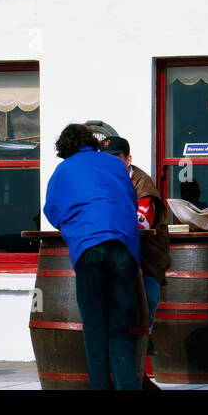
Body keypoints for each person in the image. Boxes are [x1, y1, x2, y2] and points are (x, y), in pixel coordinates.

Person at [43, 124, 142, 390]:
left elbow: (52, 210)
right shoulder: (115, 165)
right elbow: (131, 202)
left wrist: (73, 225)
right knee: (119, 328)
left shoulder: (63, 169)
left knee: (95, 328)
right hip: (123, 245)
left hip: (88, 247)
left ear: (64, 149)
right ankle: (128, 386)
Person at [99, 136, 171, 325]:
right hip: (114, 258)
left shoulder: (142, 183)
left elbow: (142, 224)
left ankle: (144, 345)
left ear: (128, 160)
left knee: (145, 305)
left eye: (116, 158)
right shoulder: (101, 183)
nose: (110, 164)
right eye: (105, 159)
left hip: (146, 258)